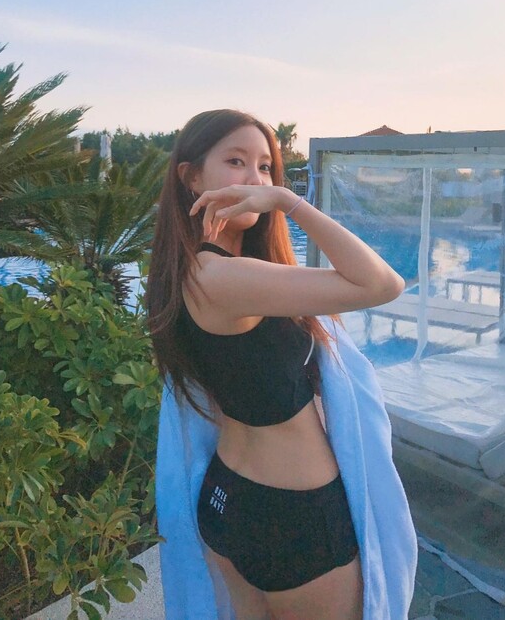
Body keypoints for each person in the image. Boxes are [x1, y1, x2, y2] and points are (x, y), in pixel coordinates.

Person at [147, 109, 417, 620]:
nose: (256, 180)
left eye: (267, 167)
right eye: (236, 162)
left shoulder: (192, 270)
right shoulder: (223, 278)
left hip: (227, 498)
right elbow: (383, 283)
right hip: (294, 518)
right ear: (191, 176)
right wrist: (288, 202)